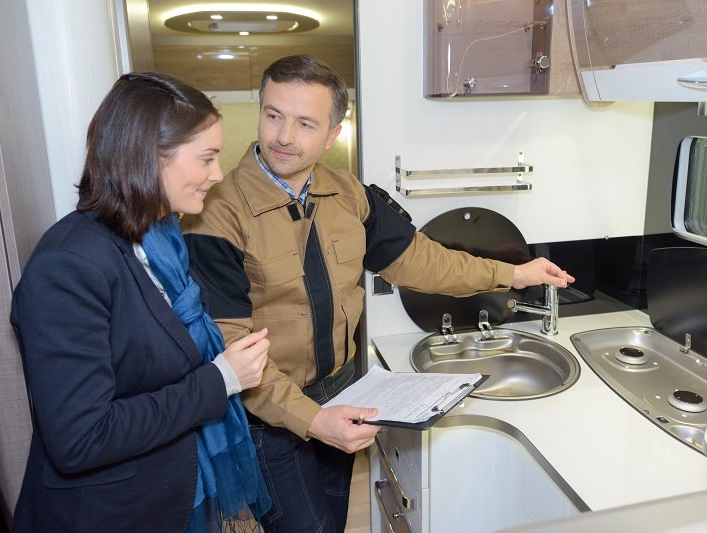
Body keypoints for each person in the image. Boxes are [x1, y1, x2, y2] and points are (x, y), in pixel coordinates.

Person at [182, 55, 575, 533]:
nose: (284, 136)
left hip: (344, 388)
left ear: (331, 135)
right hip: (269, 414)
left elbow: (424, 261)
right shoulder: (214, 216)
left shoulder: (349, 194)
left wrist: (512, 274)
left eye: (305, 123)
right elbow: (232, 347)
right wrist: (312, 420)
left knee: (334, 518)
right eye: (273, 115)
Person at [10, 72, 273, 532]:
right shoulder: (67, 266)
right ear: (148, 158)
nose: (217, 173)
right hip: (110, 515)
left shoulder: (161, 240)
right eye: (207, 158)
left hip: (171, 495)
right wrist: (220, 380)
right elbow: (82, 438)